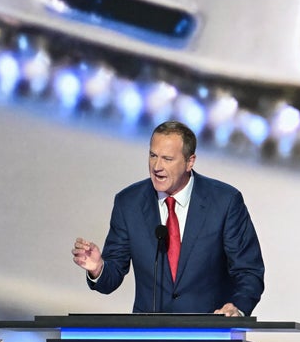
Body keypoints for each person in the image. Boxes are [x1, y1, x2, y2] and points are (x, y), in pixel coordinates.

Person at [71, 120, 265, 315]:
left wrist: (237, 308)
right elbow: (110, 279)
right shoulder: (129, 203)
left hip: (210, 335)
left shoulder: (225, 202)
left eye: (167, 159)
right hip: (149, 337)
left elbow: (249, 271)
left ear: (190, 162)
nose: (157, 166)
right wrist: (98, 268)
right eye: (153, 156)